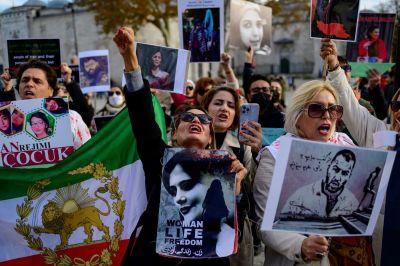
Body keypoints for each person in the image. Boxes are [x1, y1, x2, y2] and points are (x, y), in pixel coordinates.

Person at [113, 26, 247, 265]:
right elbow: (143, 118)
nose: (196, 120)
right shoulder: (160, 158)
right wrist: (130, 58)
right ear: (173, 135)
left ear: (209, 138)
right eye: (187, 118)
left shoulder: (225, 168)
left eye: (203, 119)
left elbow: (234, 229)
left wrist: (235, 192)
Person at [253, 79, 373, 265]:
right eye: (316, 109)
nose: (327, 116)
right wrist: (300, 245)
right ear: (297, 116)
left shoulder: (347, 145)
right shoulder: (275, 155)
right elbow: (265, 223)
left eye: (333, 109)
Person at [321, 38, 400, 265]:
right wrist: (335, 66)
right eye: (397, 106)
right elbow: (351, 106)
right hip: (381, 239)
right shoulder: (379, 132)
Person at [202, 86, 262, 266]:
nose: (224, 109)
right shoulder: (190, 140)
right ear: (206, 108)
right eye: (218, 103)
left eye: (230, 105)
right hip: (197, 230)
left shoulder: (242, 147)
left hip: (233, 230)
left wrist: (259, 152)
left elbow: (255, 187)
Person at [0, 59, 91, 149]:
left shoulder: (71, 120)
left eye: (37, 81)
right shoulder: (5, 124)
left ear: (51, 90)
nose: (29, 84)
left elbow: (86, 155)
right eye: (25, 80)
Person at [162, 148, 235, 257]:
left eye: (186, 185)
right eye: (173, 191)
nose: (178, 198)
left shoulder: (226, 237)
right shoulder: (171, 244)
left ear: (212, 181)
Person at [281, 149, 358, 219]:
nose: (338, 177)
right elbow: (283, 222)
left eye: (344, 173)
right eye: (335, 169)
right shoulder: (301, 196)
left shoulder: (352, 203)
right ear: (329, 168)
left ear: (349, 176)